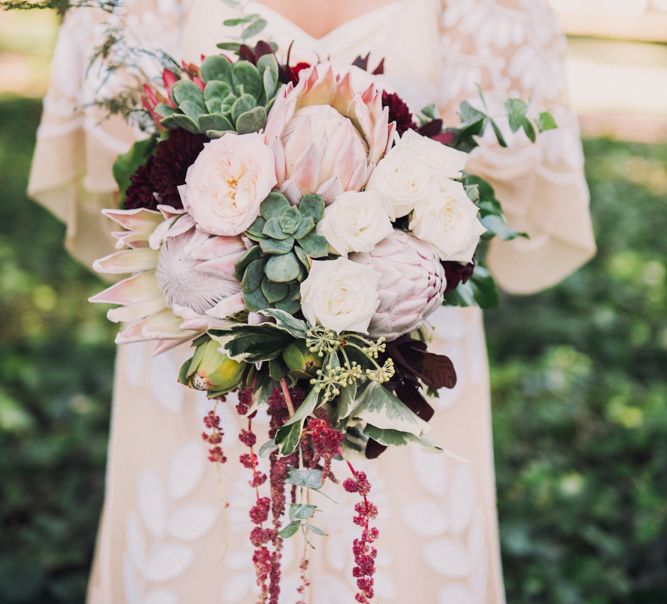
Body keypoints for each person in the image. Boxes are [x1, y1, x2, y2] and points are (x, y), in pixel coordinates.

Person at [28, 0, 596, 602]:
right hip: (194, 371)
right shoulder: (122, 10)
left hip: (401, 375)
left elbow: (501, 211)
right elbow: (116, 197)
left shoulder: (499, 12)